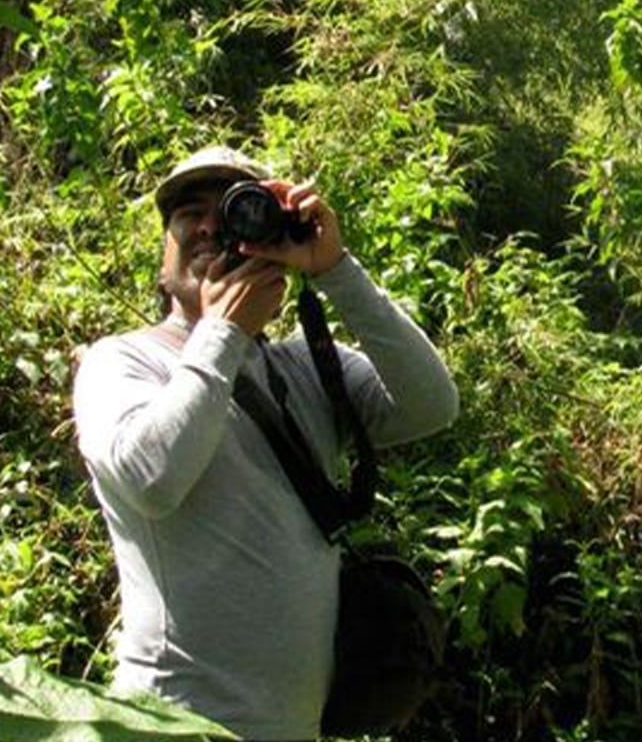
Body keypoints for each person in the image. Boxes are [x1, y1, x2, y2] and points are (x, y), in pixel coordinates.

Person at [71, 146, 459, 741]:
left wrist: (335, 268)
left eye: (228, 214)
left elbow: (431, 405)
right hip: (169, 726)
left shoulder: (305, 367)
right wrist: (223, 331)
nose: (206, 226)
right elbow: (152, 479)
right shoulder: (123, 361)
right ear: (163, 259)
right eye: (187, 215)